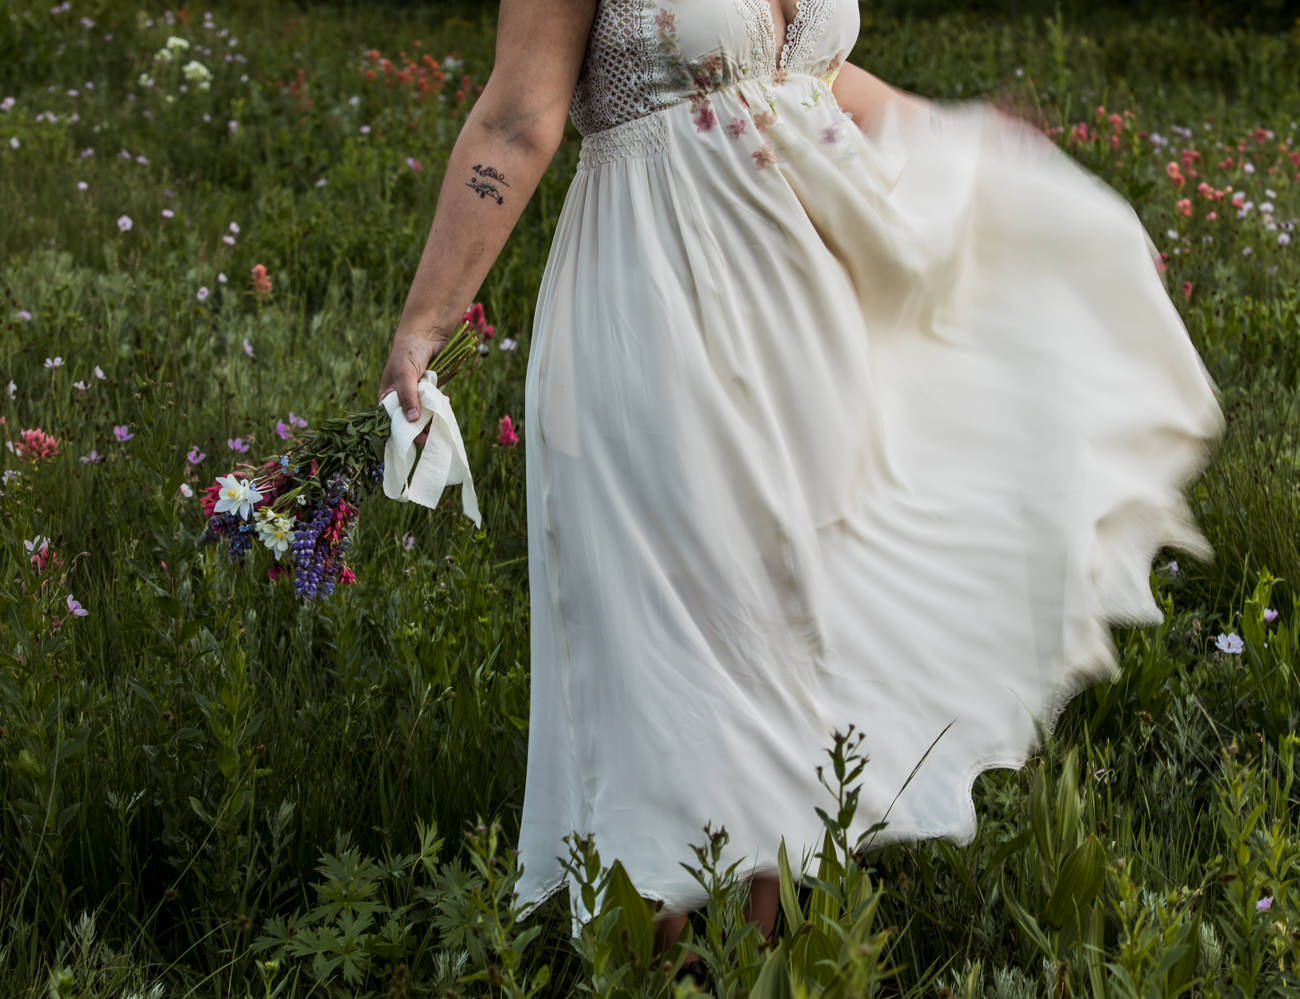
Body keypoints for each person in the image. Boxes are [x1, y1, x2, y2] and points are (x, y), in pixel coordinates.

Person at [378, 0, 1224, 963]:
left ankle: (754, 962)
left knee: (787, 632)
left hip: (809, 319)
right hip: (658, 308)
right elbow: (516, 117)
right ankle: (658, 960)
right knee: (675, 645)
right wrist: (426, 321)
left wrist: (956, 136)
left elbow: (811, 72)